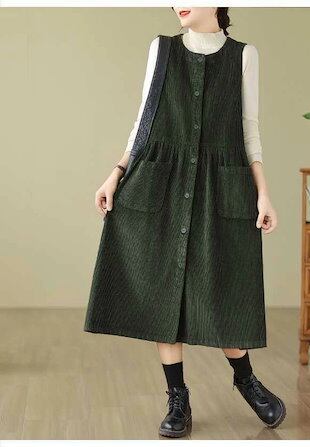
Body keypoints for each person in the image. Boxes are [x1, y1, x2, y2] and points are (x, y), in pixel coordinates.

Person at [84, 7, 285, 438]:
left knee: (221, 292)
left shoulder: (244, 55)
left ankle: (245, 379)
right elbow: (144, 120)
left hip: (221, 185)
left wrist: (264, 193)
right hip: (164, 182)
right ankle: (178, 398)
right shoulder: (161, 49)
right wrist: (116, 173)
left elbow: (249, 131)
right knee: (164, 290)